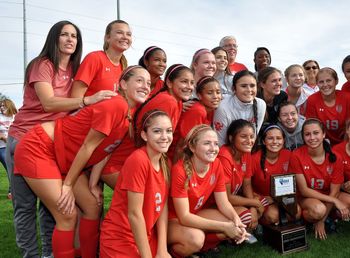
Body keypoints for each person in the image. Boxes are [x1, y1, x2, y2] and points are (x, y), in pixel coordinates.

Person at [14, 65, 151, 258]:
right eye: (139, 80)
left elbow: (104, 152)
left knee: (92, 206)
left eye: (149, 83)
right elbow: (88, 146)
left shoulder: (128, 115)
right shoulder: (116, 104)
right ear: (122, 84)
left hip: (65, 159)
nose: (145, 86)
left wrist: (94, 184)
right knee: (66, 215)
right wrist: (68, 185)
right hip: (40, 148)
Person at [6, 20, 114, 258]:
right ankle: (31, 256)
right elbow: (49, 103)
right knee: (25, 208)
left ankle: (49, 254)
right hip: (24, 139)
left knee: (51, 207)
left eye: (74, 36)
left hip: (52, 143)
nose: (69, 40)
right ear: (54, 39)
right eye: (64, 35)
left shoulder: (75, 72)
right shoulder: (42, 65)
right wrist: (87, 100)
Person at [101, 64, 195, 188]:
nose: (189, 87)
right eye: (184, 82)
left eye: (192, 83)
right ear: (169, 82)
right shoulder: (168, 101)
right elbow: (154, 143)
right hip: (121, 166)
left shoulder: (175, 102)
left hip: (131, 165)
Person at [100, 110, 173, 258]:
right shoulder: (138, 160)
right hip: (120, 237)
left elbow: (162, 205)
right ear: (144, 135)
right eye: (157, 131)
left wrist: (162, 249)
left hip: (144, 236)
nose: (165, 137)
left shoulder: (165, 162)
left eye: (169, 131)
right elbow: (134, 214)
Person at [168, 125, 248, 257]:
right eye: (207, 143)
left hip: (195, 213)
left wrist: (236, 220)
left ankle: (201, 249)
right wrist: (224, 226)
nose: (213, 148)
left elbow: (223, 203)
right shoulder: (180, 170)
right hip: (173, 220)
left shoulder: (216, 164)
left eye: (216, 144)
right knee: (196, 238)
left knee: (234, 223)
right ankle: (176, 252)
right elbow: (184, 217)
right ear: (192, 148)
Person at [289, 118, 350, 240]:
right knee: (318, 210)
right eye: (307, 134)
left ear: (323, 134)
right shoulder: (296, 155)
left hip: (328, 195)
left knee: (348, 201)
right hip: (307, 197)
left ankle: (325, 219)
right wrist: (335, 202)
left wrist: (321, 220)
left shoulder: (335, 157)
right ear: (303, 137)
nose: (312, 138)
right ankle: (308, 221)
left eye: (316, 133)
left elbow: (335, 191)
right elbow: (304, 190)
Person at [218, 119, 265, 241]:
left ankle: (246, 230)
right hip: (219, 204)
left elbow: (247, 185)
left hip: (234, 199)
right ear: (231, 138)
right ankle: (232, 236)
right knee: (249, 215)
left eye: (251, 137)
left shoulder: (246, 153)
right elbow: (227, 197)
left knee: (263, 202)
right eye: (243, 136)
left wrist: (253, 207)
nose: (249, 141)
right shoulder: (224, 156)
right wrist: (254, 204)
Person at [71, 20, 131, 97]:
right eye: (119, 33)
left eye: (128, 34)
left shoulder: (124, 67)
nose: (125, 37)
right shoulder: (94, 58)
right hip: (89, 109)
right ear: (107, 37)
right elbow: (76, 97)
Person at [251, 124, 297, 225]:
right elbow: (246, 186)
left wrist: (276, 198)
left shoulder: (289, 155)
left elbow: (293, 182)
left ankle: (278, 222)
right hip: (262, 199)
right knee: (272, 216)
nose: (275, 142)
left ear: (284, 140)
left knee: (296, 213)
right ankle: (261, 224)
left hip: (283, 197)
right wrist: (257, 197)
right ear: (263, 141)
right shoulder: (254, 159)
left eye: (279, 138)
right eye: (270, 138)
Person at [173, 76, 221, 162]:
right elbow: (181, 146)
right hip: (176, 156)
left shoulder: (211, 109)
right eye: (210, 93)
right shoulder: (198, 111)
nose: (215, 96)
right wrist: (176, 171)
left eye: (218, 92)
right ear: (199, 95)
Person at [214, 70, 266, 146]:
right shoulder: (223, 107)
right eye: (243, 86)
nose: (249, 90)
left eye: (252, 86)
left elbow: (254, 136)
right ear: (233, 89)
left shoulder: (260, 104)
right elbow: (220, 142)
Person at [304, 67, 350, 145]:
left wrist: (342, 148)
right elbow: (313, 127)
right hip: (322, 143)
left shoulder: (347, 98)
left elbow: (349, 126)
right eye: (321, 82)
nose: (325, 85)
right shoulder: (312, 100)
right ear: (317, 83)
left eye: (329, 80)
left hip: (345, 142)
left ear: (336, 81)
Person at [0, 98, 17, 199]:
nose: (2, 107)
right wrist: (2, 137)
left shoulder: (15, 117)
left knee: (11, 169)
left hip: (8, 147)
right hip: (2, 146)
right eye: (1, 106)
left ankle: (12, 191)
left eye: (4, 105)